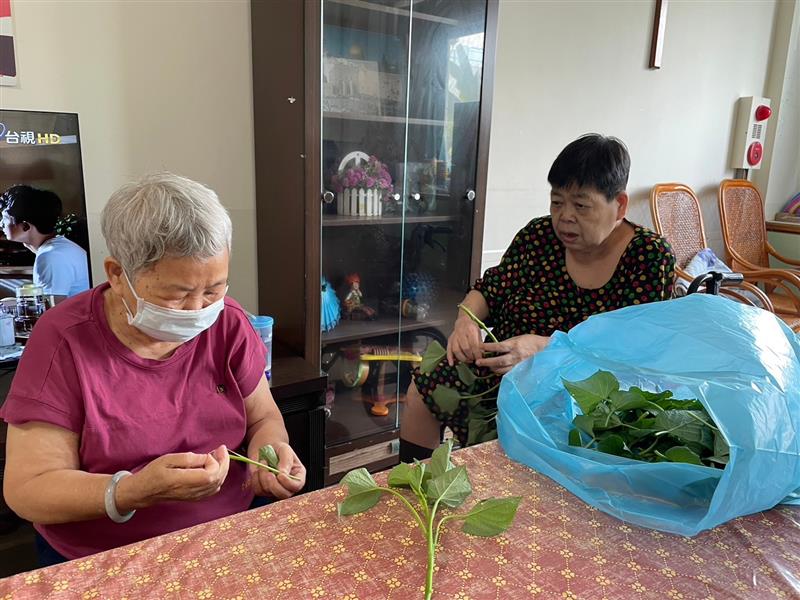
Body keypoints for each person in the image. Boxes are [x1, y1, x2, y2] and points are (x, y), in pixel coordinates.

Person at [1, 173, 306, 564]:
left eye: (214, 290)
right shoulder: (63, 339)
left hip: (224, 534)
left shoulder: (228, 322)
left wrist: (271, 450)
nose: (199, 310)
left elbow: (263, 416)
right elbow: (29, 488)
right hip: (105, 555)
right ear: (117, 275)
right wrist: (131, 491)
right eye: (177, 295)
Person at [399, 134, 676, 460]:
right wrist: (465, 321)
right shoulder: (538, 236)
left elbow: (633, 351)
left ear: (620, 205)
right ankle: (410, 490)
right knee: (426, 385)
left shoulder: (647, 256)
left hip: (577, 398)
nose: (565, 217)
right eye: (557, 202)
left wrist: (547, 349)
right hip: (496, 375)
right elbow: (489, 289)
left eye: (581, 205)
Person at [0, 185, 91, 302]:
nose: (1, 224)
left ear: (25, 226)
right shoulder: (56, 248)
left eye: (5, 218)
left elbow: (53, 313)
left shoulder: (51, 256)